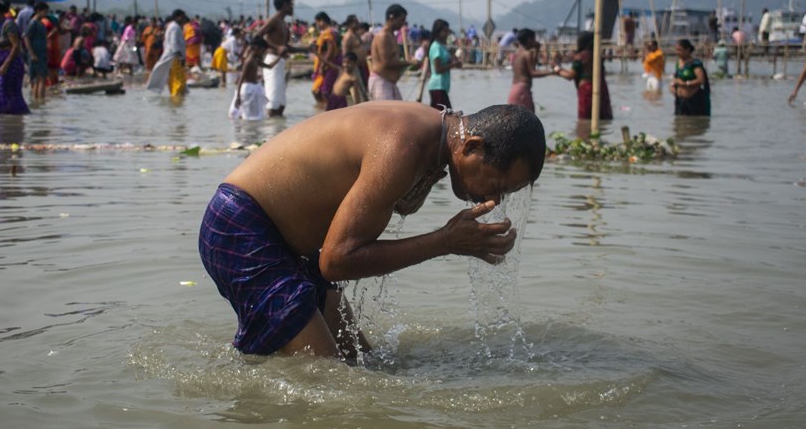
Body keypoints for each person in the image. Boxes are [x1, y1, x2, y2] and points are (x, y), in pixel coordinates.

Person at [198, 102, 546, 359]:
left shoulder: (433, 133)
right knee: (329, 383)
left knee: (362, 360)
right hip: (241, 229)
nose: (493, 200)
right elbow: (336, 261)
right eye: (497, 185)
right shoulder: (403, 146)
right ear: (472, 147)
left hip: (289, 245)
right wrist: (445, 241)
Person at [253, 0, 308, 116]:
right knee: (272, 104)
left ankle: (278, 127)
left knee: (281, 105)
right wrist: (275, 47)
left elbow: (286, 47)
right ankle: (269, 128)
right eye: (291, 4)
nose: (292, 7)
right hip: (272, 61)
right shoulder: (274, 20)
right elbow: (257, 36)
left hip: (281, 63)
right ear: (284, 5)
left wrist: (306, 49)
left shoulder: (283, 23)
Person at [554, 31, 613, 120]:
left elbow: (570, 75)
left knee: (585, 120)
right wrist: (561, 69)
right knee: (602, 117)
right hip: (601, 89)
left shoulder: (580, 57)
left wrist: (557, 70)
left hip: (587, 91)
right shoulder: (597, 55)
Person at [0, 0, 29, 115]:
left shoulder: (9, 25)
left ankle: (15, 119)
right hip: (5, 67)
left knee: (4, 95)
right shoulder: (0, 26)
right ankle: (9, 122)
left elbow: (16, 46)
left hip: (11, 66)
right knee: (2, 97)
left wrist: (5, 65)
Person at [369, 4, 413, 100]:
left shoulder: (391, 35)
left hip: (390, 82)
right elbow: (386, 63)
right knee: (386, 110)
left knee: (399, 109)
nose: (403, 23)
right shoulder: (383, 36)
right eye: (401, 20)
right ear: (391, 18)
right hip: (381, 81)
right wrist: (409, 63)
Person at [507, 28, 553, 112]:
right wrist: (552, 72)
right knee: (530, 118)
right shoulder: (527, 54)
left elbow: (531, 66)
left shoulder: (515, 55)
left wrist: (537, 50)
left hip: (514, 90)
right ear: (529, 40)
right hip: (523, 91)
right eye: (534, 39)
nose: (536, 41)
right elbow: (533, 72)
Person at [146, 9, 189, 97]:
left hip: (173, 56)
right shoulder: (175, 27)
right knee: (178, 78)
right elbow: (173, 42)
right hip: (174, 57)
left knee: (174, 77)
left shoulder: (173, 26)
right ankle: (177, 97)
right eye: (183, 17)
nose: (184, 19)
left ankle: (175, 97)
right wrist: (179, 56)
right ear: (178, 17)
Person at [425, 19, 462, 110]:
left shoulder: (443, 46)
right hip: (437, 86)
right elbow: (438, 69)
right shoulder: (436, 47)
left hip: (443, 87)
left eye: (447, 31)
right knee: (444, 114)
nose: (447, 34)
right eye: (445, 31)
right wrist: (453, 65)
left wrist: (455, 62)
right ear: (438, 32)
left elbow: (448, 63)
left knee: (443, 114)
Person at [230, 36, 270, 120]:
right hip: (248, 90)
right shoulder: (249, 61)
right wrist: (238, 97)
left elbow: (269, 66)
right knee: (249, 118)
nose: (263, 53)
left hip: (252, 89)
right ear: (256, 48)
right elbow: (241, 79)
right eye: (263, 50)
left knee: (255, 117)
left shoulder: (255, 60)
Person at [669, 38, 710, 116]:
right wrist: (672, 86)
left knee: (693, 122)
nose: (677, 52)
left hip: (694, 101)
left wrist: (685, 84)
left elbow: (701, 80)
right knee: (679, 122)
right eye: (676, 50)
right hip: (680, 101)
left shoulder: (695, 64)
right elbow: (676, 78)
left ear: (687, 50)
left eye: (679, 50)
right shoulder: (678, 63)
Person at [311, 11, 339, 108]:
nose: (317, 25)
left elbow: (330, 50)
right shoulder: (331, 31)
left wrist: (323, 65)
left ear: (322, 21)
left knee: (321, 90)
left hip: (328, 65)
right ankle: (323, 108)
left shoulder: (328, 33)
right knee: (321, 90)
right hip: (328, 64)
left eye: (317, 23)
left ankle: (326, 110)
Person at [23, 2, 50, 100]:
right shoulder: (33, 23)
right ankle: (40, 100)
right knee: (41, 78)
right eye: (45, 12)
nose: (46, 14)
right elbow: (26, 38)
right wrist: (32, 54)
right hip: (36, 54)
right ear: (38, 11)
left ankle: (37, 101)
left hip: (41, 53)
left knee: (39, 79)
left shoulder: (40, 23)